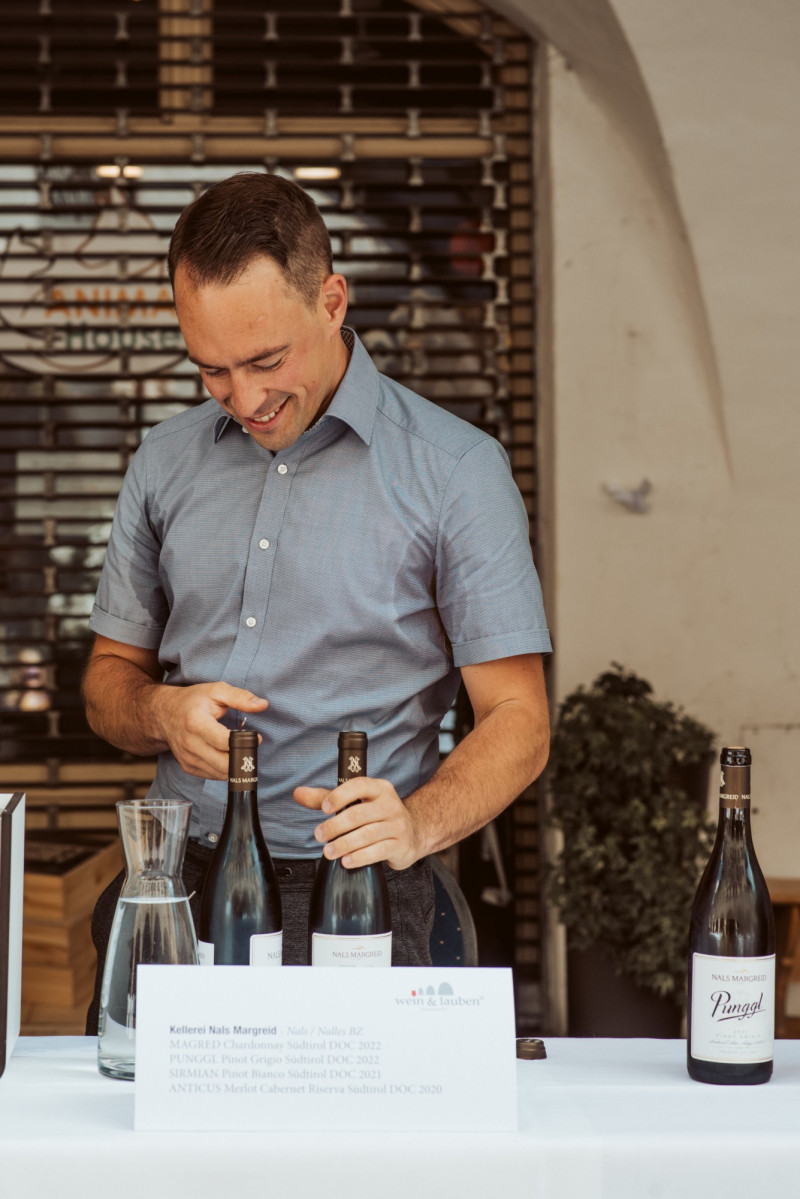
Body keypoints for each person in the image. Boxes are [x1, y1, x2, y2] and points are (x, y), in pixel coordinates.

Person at [82, 172, 551, 1030]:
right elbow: (108, 682)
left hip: (371, 893)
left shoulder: (454, 471)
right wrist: (158, 711)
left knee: (373, 1167)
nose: (247, 398)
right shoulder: (162, 462)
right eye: (212, 370)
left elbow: (519, 719)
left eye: (266, 360)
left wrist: (414, 823)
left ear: (333, 300)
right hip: (179, 890)